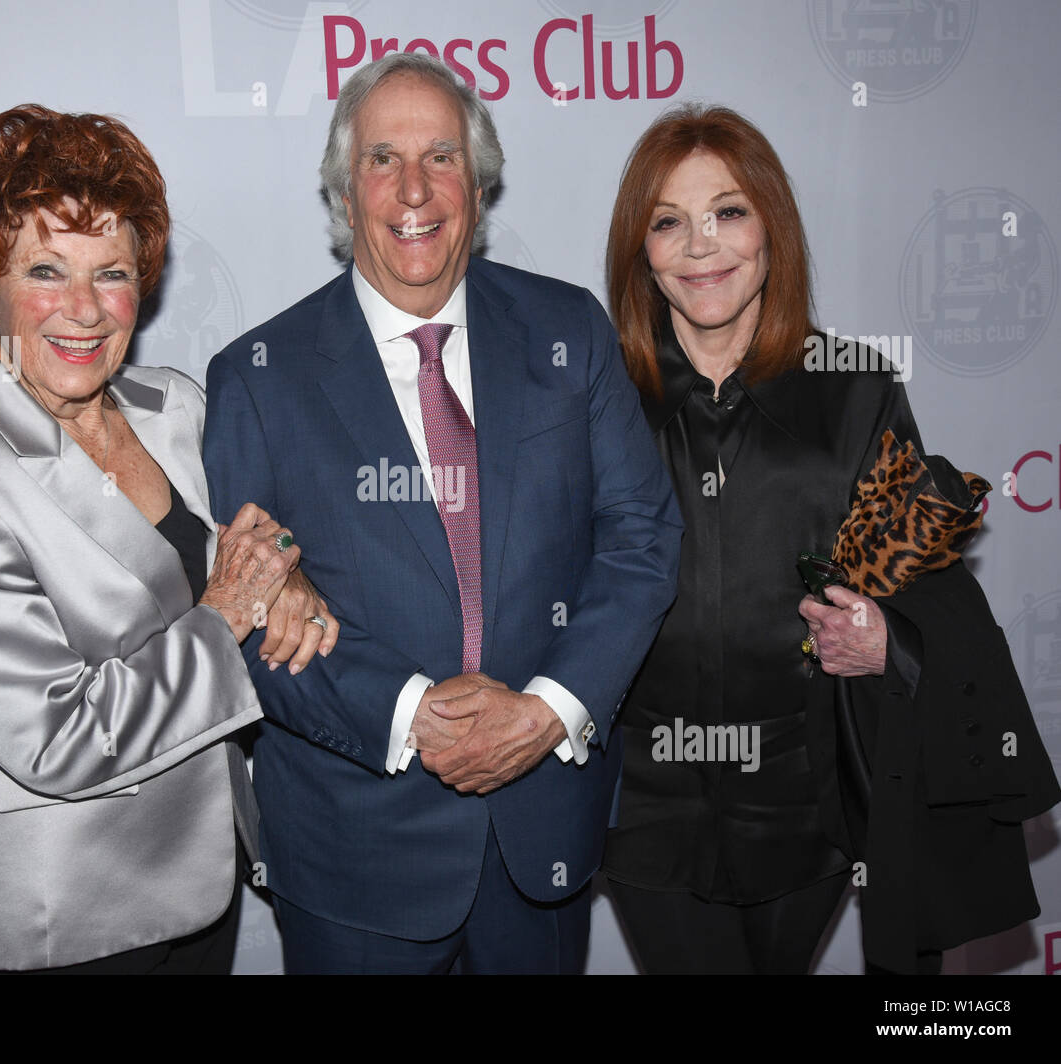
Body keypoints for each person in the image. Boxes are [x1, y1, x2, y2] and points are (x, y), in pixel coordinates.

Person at [200, 53, 682, 974]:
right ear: (346, 194)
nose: (414, 188)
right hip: (353, 864)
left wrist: (548, 711)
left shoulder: (567, 332)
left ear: (480, 183)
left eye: (442, 157)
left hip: (541, 833)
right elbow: (253, 613)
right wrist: (415, 715)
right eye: (382, 159)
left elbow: (642, 537)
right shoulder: (258, 379)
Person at [0, 105, 336, 974]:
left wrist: (281, 574)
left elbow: (230, 546)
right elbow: (58, 737)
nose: (83, 310)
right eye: (46, 270)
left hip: (203, 880)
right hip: (57, 920)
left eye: (112, 272)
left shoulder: (176, 407)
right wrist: (231, 608)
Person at [601, 103, 1059, 974]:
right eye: (669, 222)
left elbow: (929, 580)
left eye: (728, 212)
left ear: (773, 227)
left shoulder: (854, 387)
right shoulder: (598, 392)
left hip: (809, 800)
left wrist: (892, 641)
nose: (702, 247)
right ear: (641, 251)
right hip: (644, 799)